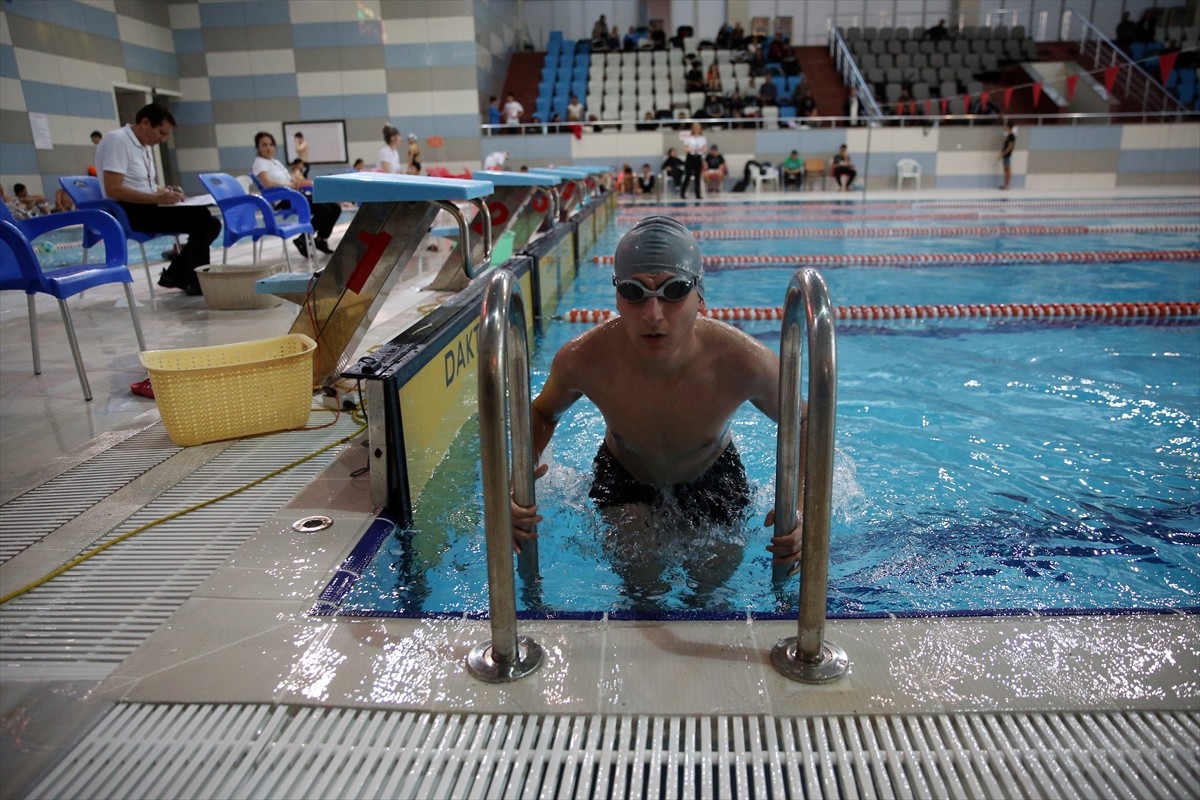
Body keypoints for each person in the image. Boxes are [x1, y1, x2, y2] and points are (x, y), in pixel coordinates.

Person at [510, 217, 805, 601]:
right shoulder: (583, 359)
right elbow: (542, 413)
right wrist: (519, 480)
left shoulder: (742, 361)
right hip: (624, 476)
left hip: (712, 474)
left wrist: (802, 506)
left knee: (712, 584)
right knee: (641, 578)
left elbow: (805, 421)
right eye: (634, 292)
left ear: (700, 297)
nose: (653, 314)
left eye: (674, 291)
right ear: (617, 296)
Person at [94, 102, 220, 296]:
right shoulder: (118, 141)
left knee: (213, 223)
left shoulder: (142, 146)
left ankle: (175, 275)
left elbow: (146, 184)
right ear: (145, 123)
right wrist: (156, 197)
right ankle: (196, 280)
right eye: (161, 133)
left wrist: (168, 194)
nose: (163, 139)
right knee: (200, 216)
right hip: (127, 212)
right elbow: (113, 189)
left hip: (145, 207)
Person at [253, 131, 339, 256]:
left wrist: (299, 183)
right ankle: (302, 240)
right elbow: (267, 184)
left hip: (294, 195)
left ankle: (320, 239)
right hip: (284, 199)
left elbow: (289, 180)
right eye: (264, 145)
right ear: (258, 147)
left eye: (271, 144)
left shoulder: (275, 162)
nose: (269, 148)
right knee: (324, 209)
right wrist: (289, 186)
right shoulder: (259, 163)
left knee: (335, 207)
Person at [678, 122, 706, 199]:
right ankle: (683, 193)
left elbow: (704, 148)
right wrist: (691, 149)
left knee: (698, 176)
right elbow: (685, 148)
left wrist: (700, 149)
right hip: (690, 157)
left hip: (698, 157)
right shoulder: (689, 138)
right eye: (695, 128)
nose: (697, 130)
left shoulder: (702, 138)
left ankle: (698, 194)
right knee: (688, 175)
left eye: (698, 128)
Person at [998, 122, 1015, 190]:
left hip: (1007, 155)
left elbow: (1009, 147)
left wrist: (1003, 154)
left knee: (1008, 170)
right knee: (1005, 170)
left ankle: (1007, 185)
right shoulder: (1008, 136)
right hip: (1005, 155)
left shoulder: (1011, 136)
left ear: (1009, 127)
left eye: (1006, 127)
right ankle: (1005, 184)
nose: (1005, 128)